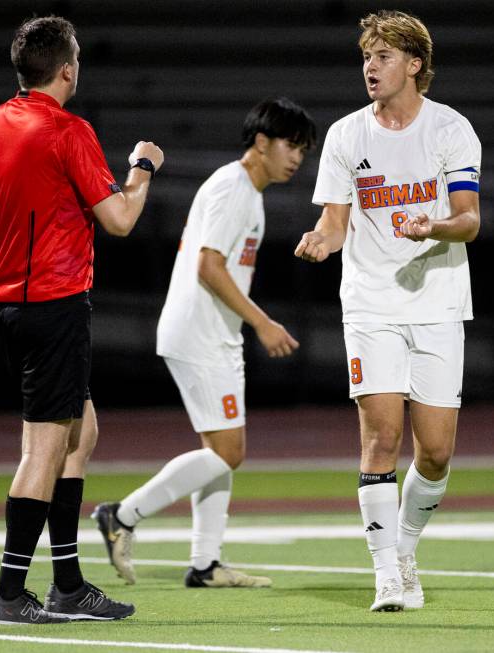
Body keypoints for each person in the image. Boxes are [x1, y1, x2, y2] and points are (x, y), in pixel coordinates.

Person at [0, 16, 163, 624]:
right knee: (42, 450)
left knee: (81, 432)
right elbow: (120, 219)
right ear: (67, 68)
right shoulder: (68, 130)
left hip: (6, 308)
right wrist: (143, 169)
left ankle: (68, 584)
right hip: (54, 307)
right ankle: (10, 593)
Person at [294, 10, 481, 612]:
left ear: (415, 65)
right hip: (370, 303)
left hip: (437, 302)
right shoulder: (347, 135)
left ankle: (405, 546)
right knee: (381, 436)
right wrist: (323, 238)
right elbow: (334, 220)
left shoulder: (451, 129)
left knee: (436, 451)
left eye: (382, 57)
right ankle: (387, 575)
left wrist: (436, 226)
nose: (370, 68)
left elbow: (470, 220)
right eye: (366, 58)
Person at [92, 97, 316, 588]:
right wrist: (262, 322)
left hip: (210, 333)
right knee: (228, 450)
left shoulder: (245, 191)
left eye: (303, 148)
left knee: (219, 447)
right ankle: (122, 515)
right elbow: (209, 266)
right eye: (290, 144)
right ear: (261, 142)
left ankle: (206, 564)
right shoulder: (235, 188)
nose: (297, 157)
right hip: (200, 333)